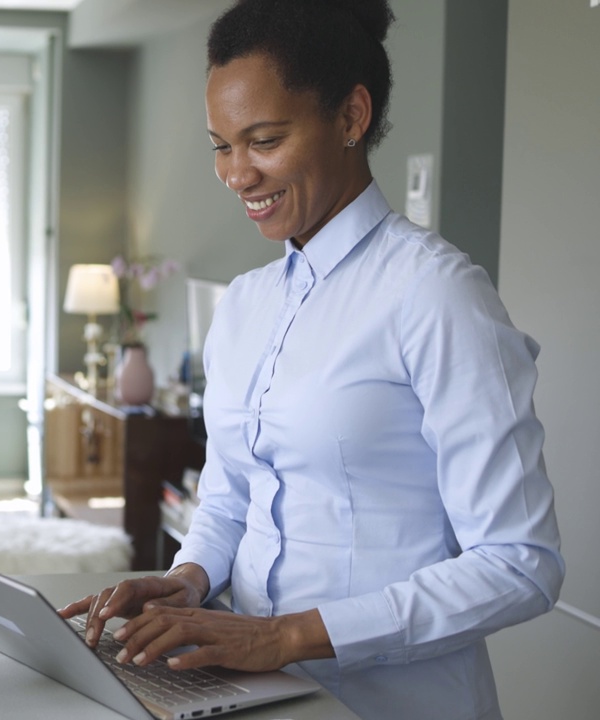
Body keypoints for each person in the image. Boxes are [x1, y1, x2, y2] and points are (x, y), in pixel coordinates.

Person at [58, 1, 564, 718]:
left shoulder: (436, 294)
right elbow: (232, 492)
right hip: (248, 694)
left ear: (352, 117)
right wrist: (192, 578)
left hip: (395, 702)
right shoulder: (244, 304)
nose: (237, 173)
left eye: (263, 140)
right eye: (221, 145)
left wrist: (287, 634)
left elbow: (522, 564)